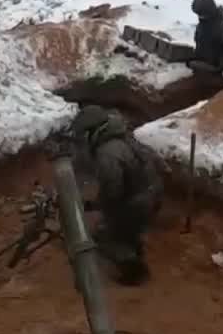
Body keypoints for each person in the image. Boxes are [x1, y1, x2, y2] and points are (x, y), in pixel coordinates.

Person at [70, 106, 164, 286]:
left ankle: (135, 272)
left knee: (109, 237)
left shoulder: (107, 153)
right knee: (124, 228)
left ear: (93, 131)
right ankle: (134, 242)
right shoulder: (122, 136)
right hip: (150, 192)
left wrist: (99, 206)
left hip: (138, 201)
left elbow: (112, 190)